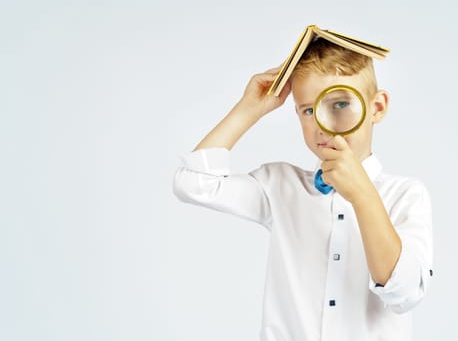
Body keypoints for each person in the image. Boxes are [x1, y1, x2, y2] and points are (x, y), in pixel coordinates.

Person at [173, 37, 433, 341]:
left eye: (340, 104)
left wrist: (363, 196)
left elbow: (404, 293)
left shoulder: (407, 196)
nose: (323, 124)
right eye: (309, 110)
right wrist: (248, 109)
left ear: (376, 107)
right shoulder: (280, 186)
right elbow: (193, 183)